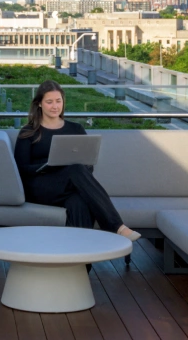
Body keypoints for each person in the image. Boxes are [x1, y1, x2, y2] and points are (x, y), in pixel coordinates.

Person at [14, 80, 139, 241]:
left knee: (79, 201)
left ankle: (80, 255)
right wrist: (47, 166)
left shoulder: (75, 129)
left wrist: (72, 169)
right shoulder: (29, 131)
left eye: (58, 101)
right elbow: (21, 168)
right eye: (49, 102)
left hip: (69, 186)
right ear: (39, 103)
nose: (55, 106)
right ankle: (117, 227)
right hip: (40, 188)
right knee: (75, 170)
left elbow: (88, 164)